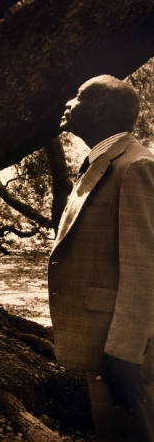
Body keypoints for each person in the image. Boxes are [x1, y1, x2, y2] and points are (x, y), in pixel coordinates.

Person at [48, 74, 154, 442]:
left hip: (122, 356)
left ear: (103, 109)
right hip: (101, 349)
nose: (69, 102)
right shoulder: (102, 162)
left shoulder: (135, 167)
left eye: (79, 96)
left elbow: (144, 269)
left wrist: (125, 356)